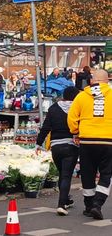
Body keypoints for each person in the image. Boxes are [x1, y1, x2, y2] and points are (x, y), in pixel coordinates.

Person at [68, 69, 112, 220]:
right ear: (108, 80)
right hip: (108, 140)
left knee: (87, 172)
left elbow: (72, 116)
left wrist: (75, 132)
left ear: (92, 80)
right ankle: (97, 204)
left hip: (86, 140)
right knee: (106, 173)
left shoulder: (81, 96)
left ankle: (88, 205)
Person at [36, 86, 80, 216]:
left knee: (62, 174)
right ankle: (61, 205)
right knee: (66, 175)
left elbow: (45, 127)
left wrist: (38, 143)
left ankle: (66, 199)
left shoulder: (53, 108)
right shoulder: (77, 108)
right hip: (70, 146)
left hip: (55, 147)